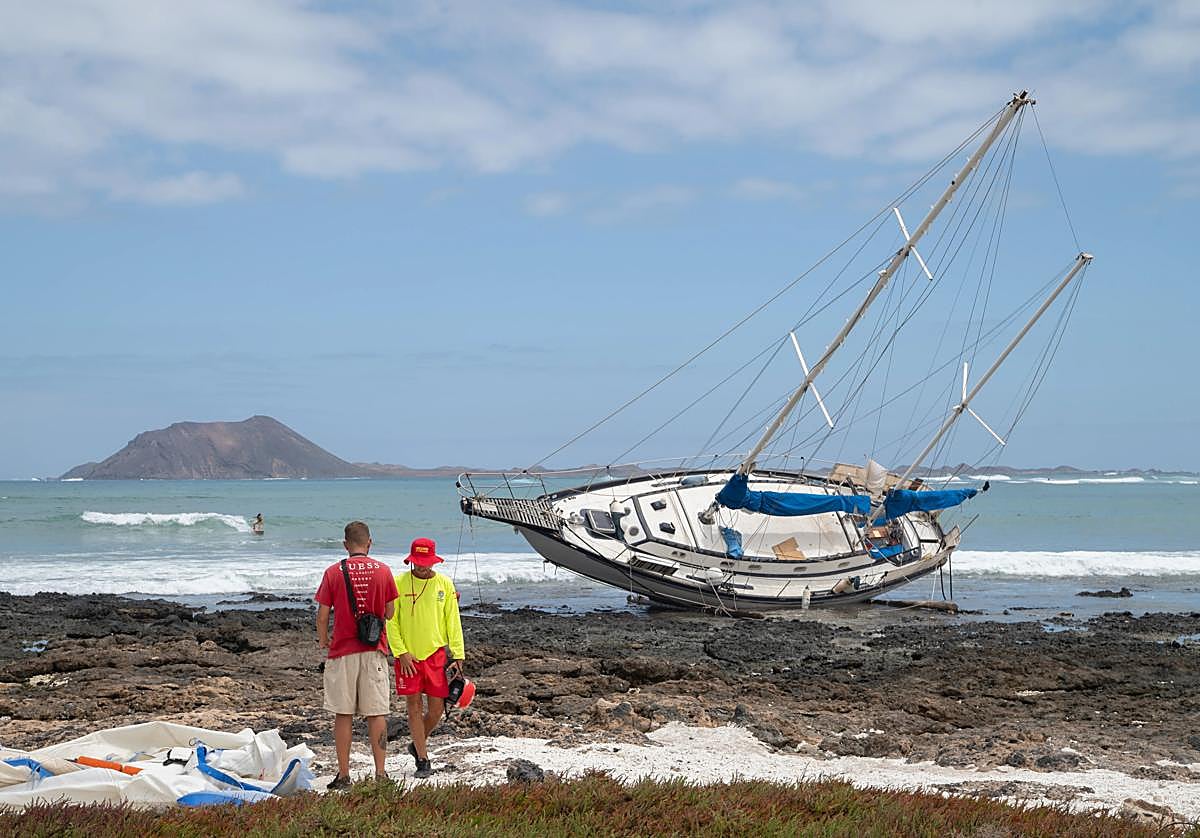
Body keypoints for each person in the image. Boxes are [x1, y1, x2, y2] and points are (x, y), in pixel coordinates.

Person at [314, 521, 399, 789]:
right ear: (370, 543)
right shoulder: (383, 571)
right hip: (374, 650)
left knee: (343, 713)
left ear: (345, 545)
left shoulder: (333, 572)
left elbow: (323, 615)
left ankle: (344, 775)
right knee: (376, 714)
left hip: (343, 651)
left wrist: (323, 639)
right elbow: (389, 612)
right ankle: (381, 774)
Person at [385, 537, 465, 779]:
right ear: (411, 560)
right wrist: (401, 652)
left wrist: (458, 653)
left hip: (435, 655)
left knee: (436, 710)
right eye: (417, 563)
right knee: (413, 708)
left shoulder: (444, 584)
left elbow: (453, 620)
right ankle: (423, 758)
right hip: (407, 658)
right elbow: (391, 622)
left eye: (426, 563)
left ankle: (416, 743)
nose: (422, 567)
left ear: (433, 561)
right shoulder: (397, 584)